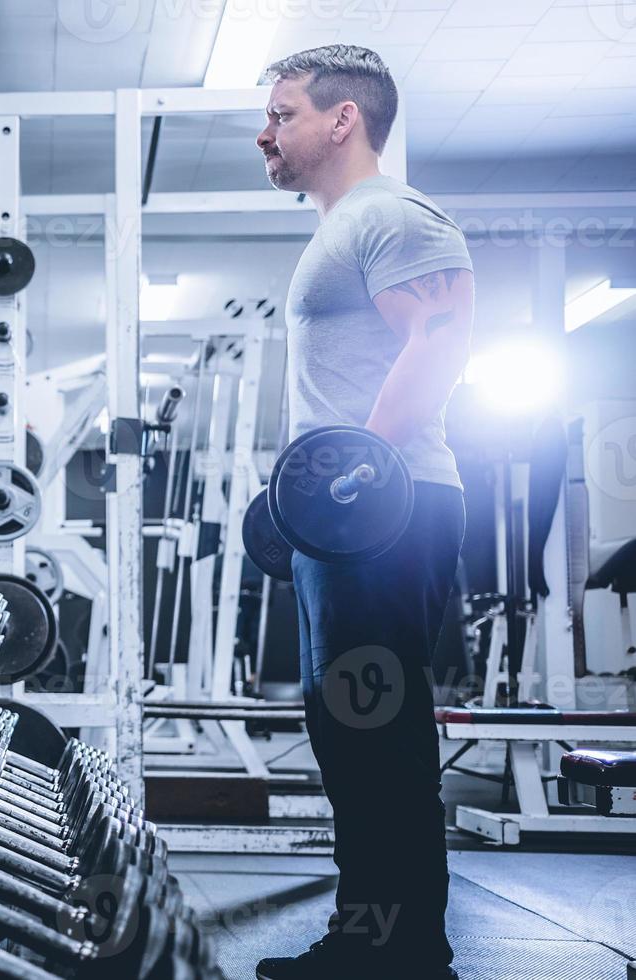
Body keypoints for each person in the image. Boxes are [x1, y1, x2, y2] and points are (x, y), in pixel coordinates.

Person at [253, 45, 472, 980]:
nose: (267, 132)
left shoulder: (391, 214)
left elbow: (446, 334)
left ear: (344, 119)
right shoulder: (344, 227)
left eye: (285, 113)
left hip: (385, 510)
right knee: (351, 730)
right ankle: (377, 937)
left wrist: (356, 476)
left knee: (373, 732)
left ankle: (400, 948)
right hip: (358, 513)